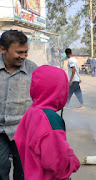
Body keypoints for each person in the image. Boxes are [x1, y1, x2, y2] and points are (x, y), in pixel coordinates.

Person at [14, 65, 80, 180]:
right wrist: (72, 161)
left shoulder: (32, 111)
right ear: (59, 91)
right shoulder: (50, 120)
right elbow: (58, 166)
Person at [0, 30, 38, 180]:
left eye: (26, 52)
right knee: (1, 168)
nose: (23, 56)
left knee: (23, 171)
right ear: (2, 49)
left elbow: (40, 98)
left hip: (24, 131)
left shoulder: (32, 69)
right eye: (19, 52)